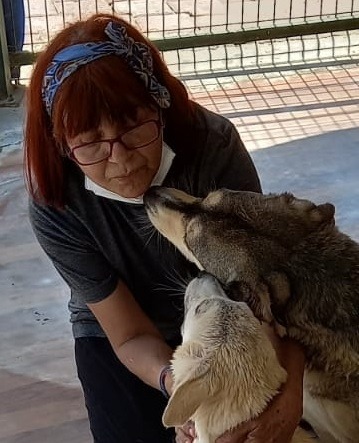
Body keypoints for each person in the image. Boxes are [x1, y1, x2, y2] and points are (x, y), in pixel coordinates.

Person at [24, 13, 306, 443]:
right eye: (90, 142)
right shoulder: (54, 198)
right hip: (123, 333)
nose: (119, 160)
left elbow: (265, 285)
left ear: (159, 104)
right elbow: (129, 334)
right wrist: (177, 385)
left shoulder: (212, 146)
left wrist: (289, 392)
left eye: (134, 128)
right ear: (61, 142)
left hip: (233, 312)